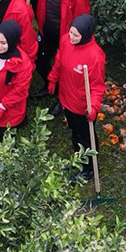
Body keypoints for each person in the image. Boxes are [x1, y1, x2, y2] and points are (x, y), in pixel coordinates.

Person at [48, 14, 106, 182]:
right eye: (70, 32)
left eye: (76, 35)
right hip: (67, 99)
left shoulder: (95, 56)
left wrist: (93, 107)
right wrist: (53, 78)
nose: (71, 37)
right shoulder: (66, 41)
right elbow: (59, 60)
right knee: (74, 132)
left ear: (86, 34)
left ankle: (88, 169)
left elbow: (97, 87)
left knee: (85, 137)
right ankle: (78, 159)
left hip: (82, 106)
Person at [31, 0, 91, 105]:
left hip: (65, 33)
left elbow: (82, 18)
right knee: (39, 58)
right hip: (46, 27)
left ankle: (63, 99)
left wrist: (76, 40)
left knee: (66, 67)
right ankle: (50, 85)